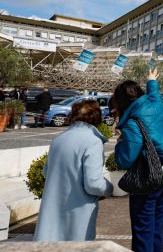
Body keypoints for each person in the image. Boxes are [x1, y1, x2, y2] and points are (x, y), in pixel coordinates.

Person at [34, 100, 113, 241]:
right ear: (96, 117)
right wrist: (109, 188)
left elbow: (46, 172)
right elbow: (93, 183)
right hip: (79, 213)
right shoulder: (93, 141)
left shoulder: (59, 139)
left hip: (52, 212)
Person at [114, 68, 163, 252]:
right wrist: (151, 80)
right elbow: (154, 93)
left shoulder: (132, 123)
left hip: (149, 178)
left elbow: (125, 159)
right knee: (156, 228)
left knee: (143, 231)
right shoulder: (155, 104)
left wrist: (119, 142)